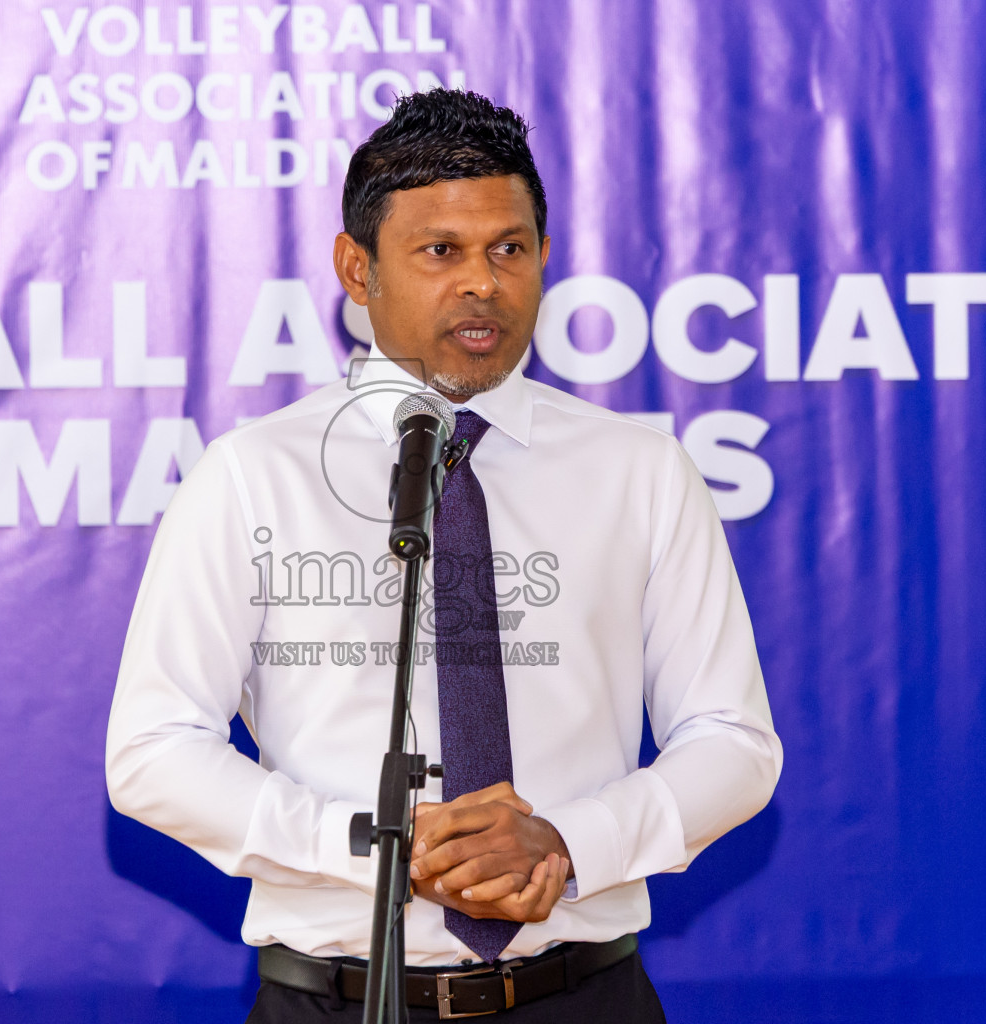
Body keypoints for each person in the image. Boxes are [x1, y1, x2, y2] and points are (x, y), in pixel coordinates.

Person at [105, 89, 781, 1022]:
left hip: (581, 995)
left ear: (544, 259)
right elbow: (154, 751)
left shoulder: (640, 471)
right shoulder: (255, 475)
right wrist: (388, 847)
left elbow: (734, 742)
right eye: (440, 252)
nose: (482, 282)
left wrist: (566, 845)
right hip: (336, 1000)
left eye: (509, 248)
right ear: (356, 267)